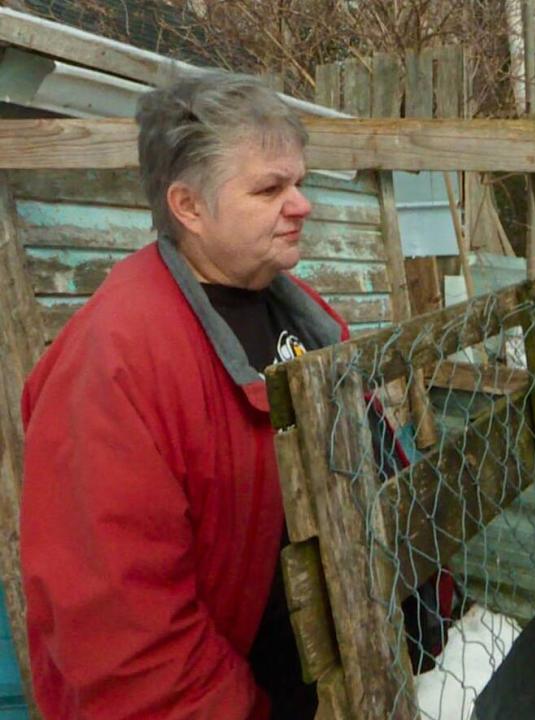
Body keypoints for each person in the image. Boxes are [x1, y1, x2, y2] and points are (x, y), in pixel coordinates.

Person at [19, 72, 348, 718]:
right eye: (270, 188)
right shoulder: (112, 365)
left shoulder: (308, 316)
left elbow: (371, 467)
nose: (301, 204)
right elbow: (126, 644)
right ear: (189, 207)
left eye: (299, 183)